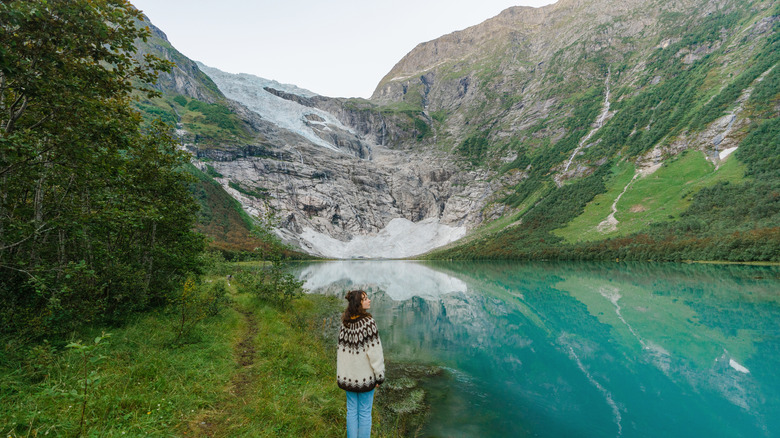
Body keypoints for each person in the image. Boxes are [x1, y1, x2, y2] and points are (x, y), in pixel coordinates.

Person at [337, 289, 385, 438]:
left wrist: (342, 375)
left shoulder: (345, 322)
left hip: (348, 377)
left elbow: (341, 352)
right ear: (359, 303)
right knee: (364, 413)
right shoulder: (368, 323)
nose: (369, 300)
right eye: (365, 299)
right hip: (365, 378)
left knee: (351, 411)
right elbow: (375, 353)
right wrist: (379, 376)